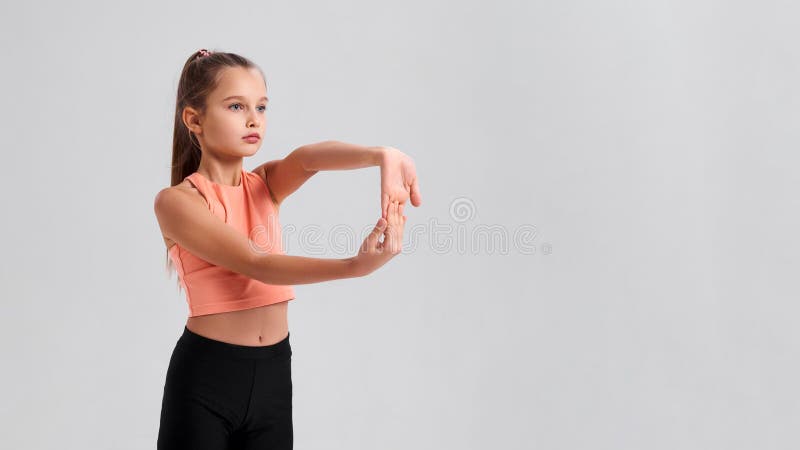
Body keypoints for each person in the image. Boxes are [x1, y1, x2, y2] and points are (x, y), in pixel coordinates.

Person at [153, 48, 422, 450]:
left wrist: (379, 155)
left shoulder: (265, 185)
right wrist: (353, 266)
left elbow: (309, 158)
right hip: (207, 378)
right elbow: (254, 262)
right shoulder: (177, 202)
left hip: (274, 374)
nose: (253, 119)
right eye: (235, 106)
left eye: (261, 107)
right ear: (194, 119)